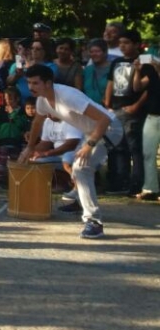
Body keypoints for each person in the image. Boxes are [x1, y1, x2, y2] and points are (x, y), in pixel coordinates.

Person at [18, 64, 124, 238]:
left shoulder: (68, 96)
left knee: (81, 169)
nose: (31, 87)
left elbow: (104, 119)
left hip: (110, 130)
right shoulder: (42, 100)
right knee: (78, 169)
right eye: (29, 82)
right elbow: (37, 122)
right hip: (92, 131)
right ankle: (78, 198)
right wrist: (30, 147)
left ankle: (94, 222)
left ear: (48, 83)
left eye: (35, 83)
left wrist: (88, 145)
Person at [104, 29, 147, 195]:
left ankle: (136, 183)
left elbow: (147, 88)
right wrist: (107, 103)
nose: (122, 46)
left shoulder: (143, 62)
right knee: (118, 146)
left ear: (136, 44)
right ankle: (119, 181)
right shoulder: (117, 61)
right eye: (120, 43)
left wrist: (137, 105)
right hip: (115, 108)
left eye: (126, 43)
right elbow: (110, 81)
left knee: (134, 147)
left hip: (133, 110)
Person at [132, 55, 160, 201]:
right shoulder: (151, 71)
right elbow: (137, 87)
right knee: (148, 153)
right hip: (152, 116)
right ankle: (150, 188)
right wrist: (137, 71)